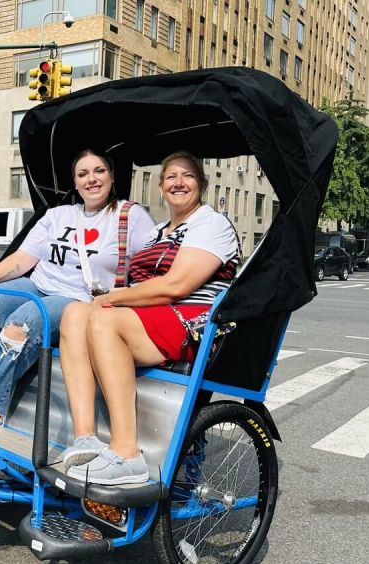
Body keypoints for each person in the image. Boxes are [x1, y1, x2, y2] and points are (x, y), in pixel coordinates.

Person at [59, 151, 241, 486]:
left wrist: (111, 300)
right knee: (74, 313)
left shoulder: (211, 224)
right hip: (153, 316)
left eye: (187, 176)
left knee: (103, 319)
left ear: (202, 184)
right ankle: (86, 438)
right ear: (160, 187)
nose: (179, 183)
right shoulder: (159, 231)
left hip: (194, 321)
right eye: (171, 176)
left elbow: (175, 286)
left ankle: (127, 453)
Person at [0, 149, 156, 423]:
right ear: (75, 183)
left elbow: (152, 262)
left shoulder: (130, 216)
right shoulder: (58, 214)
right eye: (83, 174)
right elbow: (23, 257)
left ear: (112, 176)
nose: (92, 179)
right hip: (37, 284)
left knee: (23, 322)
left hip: (79, 299)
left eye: (99, 171)